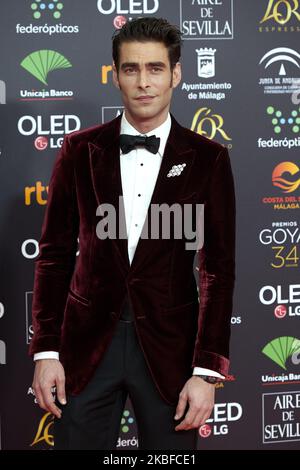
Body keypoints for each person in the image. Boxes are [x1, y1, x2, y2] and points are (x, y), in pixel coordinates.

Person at [29, 17, 235, 450]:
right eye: (131, 69)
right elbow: (54, 256)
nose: (144, 82)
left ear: (176, 74)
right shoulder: (79, 150)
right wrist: (46, 352)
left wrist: (207, 371)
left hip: (171, 352)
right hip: (85, 348)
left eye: (155, 68)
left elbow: (217, 270)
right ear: (116, 75)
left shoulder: (208, 158)